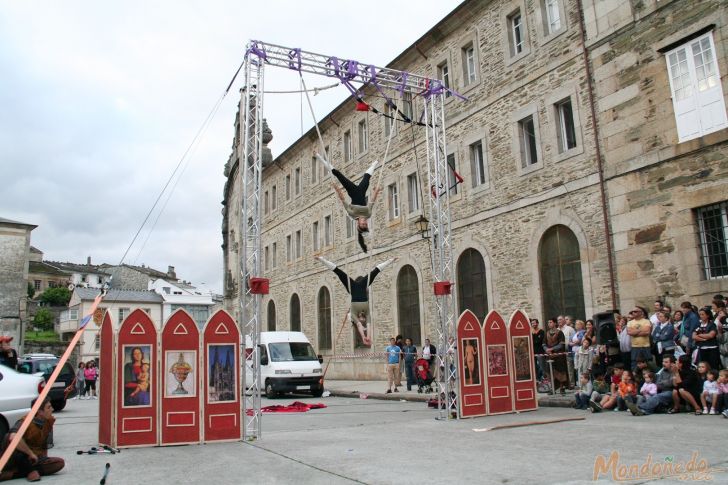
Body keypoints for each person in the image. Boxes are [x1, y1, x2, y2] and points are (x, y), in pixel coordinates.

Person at [315, 256, 395, 346]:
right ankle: (322, 259)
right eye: (362, 319)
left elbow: (360, 325)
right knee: (372, 272)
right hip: (359, 292)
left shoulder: (354, 312)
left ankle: (322, 259)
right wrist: (366, 337)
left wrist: (365, 337)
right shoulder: (365, 312)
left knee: (339, 272)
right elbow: (364, 325)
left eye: (361, 319)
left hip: (353, 290)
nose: (361, 319)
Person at [317, 156, 381, 253]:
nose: (364, 222)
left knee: (338, 174)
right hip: (361, 191)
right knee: (367, 177)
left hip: (352, 190)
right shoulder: (368, 214)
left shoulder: (352, 214)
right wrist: (376, 191)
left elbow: (342, 199)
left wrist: (337, 188)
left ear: (358, 224)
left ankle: (319, 157)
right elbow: (372, 200)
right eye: (365, 223)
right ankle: (374, 164)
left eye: (362, 224)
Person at [0, 398, 65, 482]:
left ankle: (17, 473)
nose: (52, 409)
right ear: (39, 411)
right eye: (48, 407)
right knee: (11, 439)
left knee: (59, 463)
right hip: (15, 458)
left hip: (32, 460)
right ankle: (29, 471)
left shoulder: (48, 421)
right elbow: (13, 437)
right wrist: (30, 453)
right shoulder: (25, 421)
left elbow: (44, 444)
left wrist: (42, 459)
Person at [543, 318, 568, 394]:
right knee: (550, 372)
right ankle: (552, 388)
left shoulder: (560, 333)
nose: (549, 323)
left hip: (558, 356)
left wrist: (552, 349)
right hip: (549, 356)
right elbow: (543, 343)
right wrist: (546, 349)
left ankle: (561, 388)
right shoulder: (546, 333)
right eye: (548, 322)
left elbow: (561, 344)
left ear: (554, 323)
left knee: (560, 372)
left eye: (550, 322)